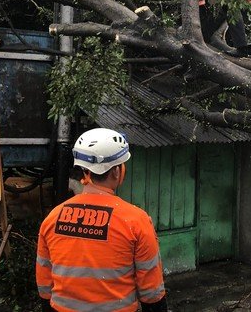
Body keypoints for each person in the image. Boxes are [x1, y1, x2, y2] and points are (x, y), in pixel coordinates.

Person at [36, 128, 168, 312]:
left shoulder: (53, 217)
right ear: (116, 171)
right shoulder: (136, 221)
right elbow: (152, 293)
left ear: (84, 170)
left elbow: (44, 285)